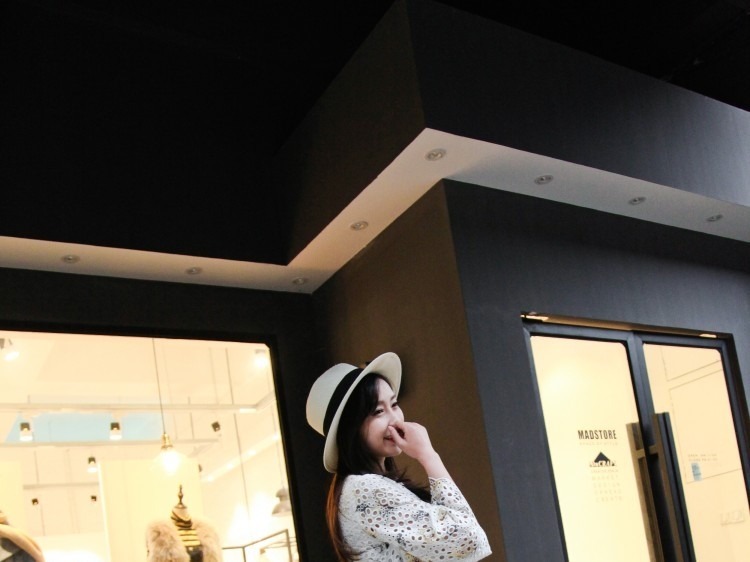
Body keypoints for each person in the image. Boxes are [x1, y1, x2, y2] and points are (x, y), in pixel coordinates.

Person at [306, 352, 492, 561]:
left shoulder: (364, 487)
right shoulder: (364, 489)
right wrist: (428, 455)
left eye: (394, 404)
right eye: (378, 411)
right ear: (351, 428)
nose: (395, 419)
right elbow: (469, 539)